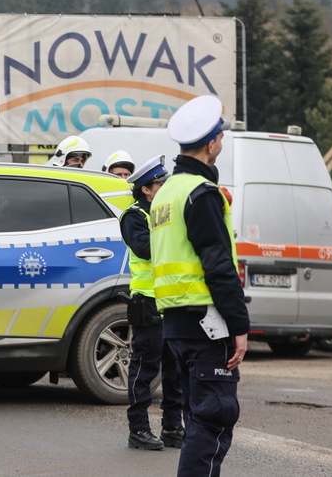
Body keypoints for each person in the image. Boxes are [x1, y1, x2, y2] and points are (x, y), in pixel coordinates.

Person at [149, 95, 249, 476]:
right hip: (208, 324)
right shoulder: (201, 194)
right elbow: (219, 266)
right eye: (220, 138)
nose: (221, 143)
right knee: (212, 420)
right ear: (211, 144)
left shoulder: (167, 193)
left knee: (197, 419)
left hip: (176, 323)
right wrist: (239, 326)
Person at [122, 155, 184, 451]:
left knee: (175, 370)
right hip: (146, 302)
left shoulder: (165, 213)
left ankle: (173, 427)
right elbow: (144, 250)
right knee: (145, 369)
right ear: (146, 189)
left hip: (171, 301)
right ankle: (139, 429)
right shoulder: (134, 216)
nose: (165, 187)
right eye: (160, 183)